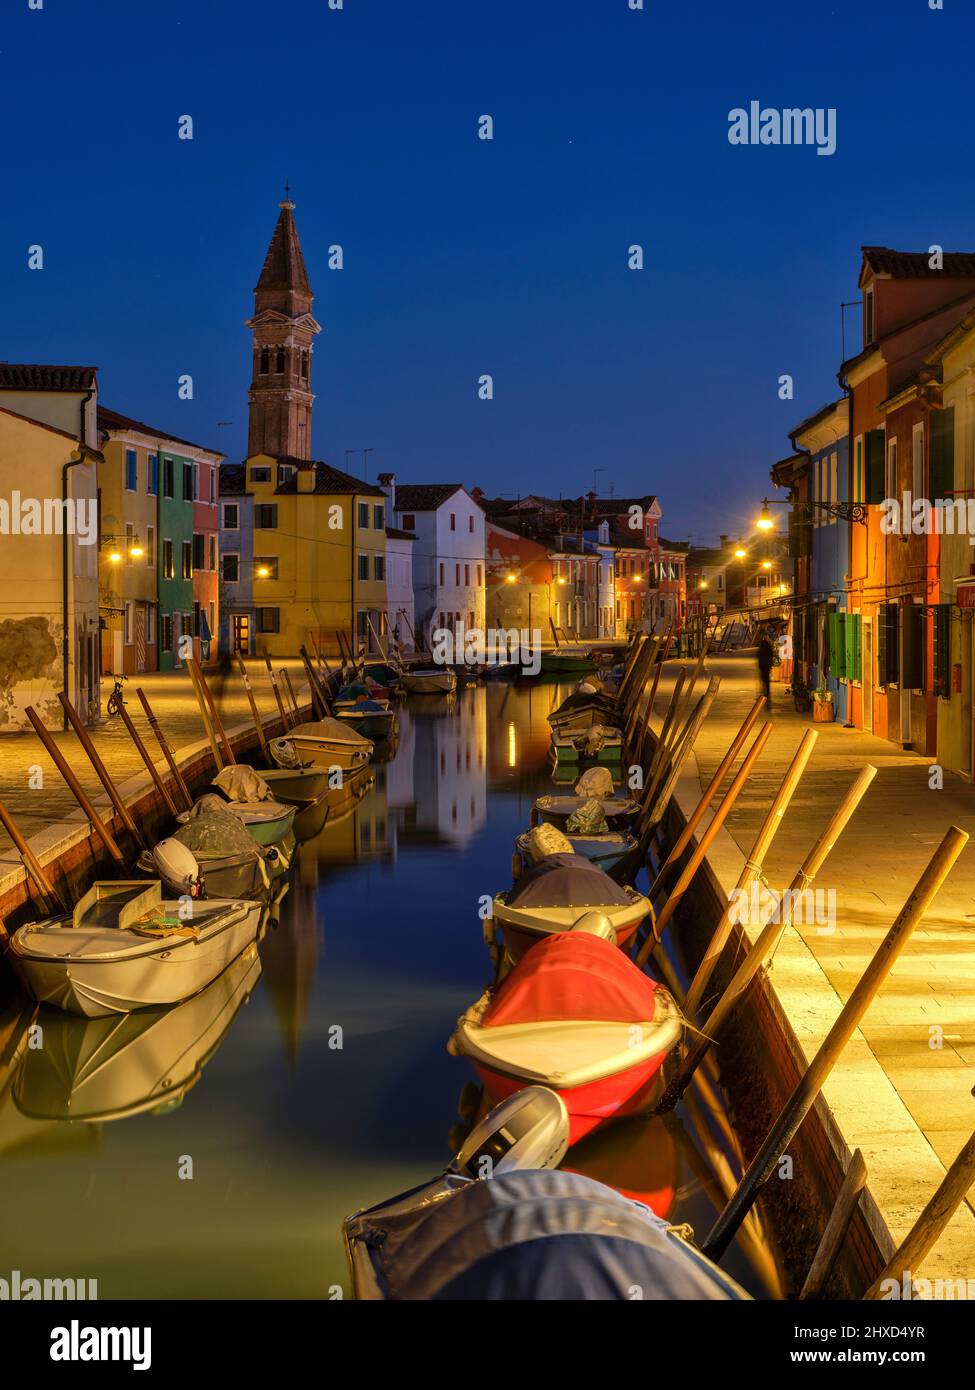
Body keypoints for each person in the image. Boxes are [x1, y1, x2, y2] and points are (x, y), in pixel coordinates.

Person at [757, 632, 774, 706]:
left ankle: (765, 694)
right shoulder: (767, 646)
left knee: (764, 680)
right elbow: (770, 655)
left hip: (764, 666)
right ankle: (766, 693)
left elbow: (761, 656)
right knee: (765, 680)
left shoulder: (764, 646)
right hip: (765, 666)